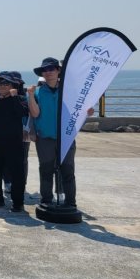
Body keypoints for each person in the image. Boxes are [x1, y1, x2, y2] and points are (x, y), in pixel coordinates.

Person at [27, 57, 93, 207]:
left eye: (51, 69)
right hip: (45, 137)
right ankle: (46, 200)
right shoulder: (37, 92)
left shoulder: (69, 91)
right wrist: (30, 95)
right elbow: (35, 114)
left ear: (58, 71)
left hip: (66, 138)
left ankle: (71, 202)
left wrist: (88, 111)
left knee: (67, 170)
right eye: (45, 70)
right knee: (46, 170)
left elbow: (81, 110)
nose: (48, 72)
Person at [0, 72, 29, 212]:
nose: (2, 86)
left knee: (17, 174)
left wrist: (14, 96)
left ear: (12, 86)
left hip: (14, 143)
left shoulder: (20, 99)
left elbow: (22, 113)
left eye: (6, 84)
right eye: (0, 84)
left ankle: (18, 203)